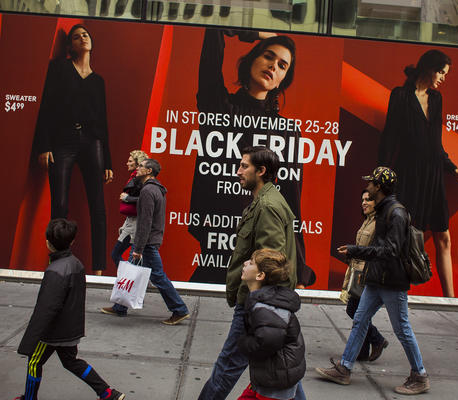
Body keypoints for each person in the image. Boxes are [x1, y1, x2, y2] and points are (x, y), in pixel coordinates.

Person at [188, 27, 315, 288]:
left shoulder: (287, 131)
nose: (273, 66)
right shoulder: (219, 105)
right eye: (268, 56)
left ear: (282, 81)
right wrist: (258, 34)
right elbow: (213, 39)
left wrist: (298, 267)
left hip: (262, 244)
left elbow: (291, 202)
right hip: (218, 238)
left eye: (282, 65)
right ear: (251, 61)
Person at [198, 146, 305, 399]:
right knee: (283, 369)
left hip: (257, 303)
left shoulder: (267, 206)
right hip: (263, 303)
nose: (238, 171)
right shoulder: (264, 201)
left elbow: (271, 263)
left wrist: (256, 303)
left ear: (262, 171)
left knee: (227, 367)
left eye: (244, 166)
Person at [315, 167, 430, 395]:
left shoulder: (395, 213)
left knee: (402, 329)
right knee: (360, 319)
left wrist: (357, 251)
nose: (367, 186)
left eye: (370, 183)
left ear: (378, 187)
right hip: (377, 279)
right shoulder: (384, 210)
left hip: (391, 281)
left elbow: (391, 250)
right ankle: (345, 369)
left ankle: (420, 375)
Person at [378, 50, 458, 297]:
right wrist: (380, 175)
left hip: (433, 177)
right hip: (408, 175)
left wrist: (453, 169)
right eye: (441, 72)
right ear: (428, 68)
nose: (443, 78)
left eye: (445, 74)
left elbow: (435, 143)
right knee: (406, 239)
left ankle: (450, 299)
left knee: (444, 237)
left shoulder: (437, 98)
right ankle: (400, 296)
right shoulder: (399, 96)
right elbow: (389, 138)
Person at [33, 24, 113, 276]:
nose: (82, 39)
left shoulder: (98, 80)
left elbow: (103, 121)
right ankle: (57, 263)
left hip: (93, 142)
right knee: (60, 204)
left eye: (86, 35)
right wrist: (44, 145)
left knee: (98, 207)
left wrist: (107, 161)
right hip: (63, 141)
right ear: (70, 47)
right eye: (77, 37)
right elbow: (45, 107)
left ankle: (99, 269)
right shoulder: (59, 70)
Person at [14, 219, 124, 400]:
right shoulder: (77, 264)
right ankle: (107, 393)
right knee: (72, 362)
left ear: (48, 243)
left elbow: (45, 310)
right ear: (72, 242)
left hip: (53, 333)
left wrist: (29, 342)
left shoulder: (55, 271)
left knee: (34, 361)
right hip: (70, 329)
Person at [101, 159, 189, 324]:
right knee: (135, 272)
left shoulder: (148, 191)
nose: (137, 169)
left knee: (158, 276)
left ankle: (180, 309)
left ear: (149, 171)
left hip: (147, 242)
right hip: (149, 240)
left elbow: (145, 221)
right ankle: (120, 307)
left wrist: (138, 248)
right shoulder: (155, 189)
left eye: (140, 166)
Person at [237, 248, 306, 400]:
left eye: (251, 263)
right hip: (273, 375)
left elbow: (268, 341)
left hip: (275, 381)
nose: (245, 263)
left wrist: (244, 343)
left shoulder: (264, 307)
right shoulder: (264, 299)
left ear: (260, 275)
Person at [338, 190, 387, 362]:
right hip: (357, 271)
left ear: (377, 202)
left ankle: (377, 339)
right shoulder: (367, 220)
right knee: (358, 311)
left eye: (368, 200)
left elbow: (375, 251)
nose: (364, 203)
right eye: (362, 200)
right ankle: (363, 350)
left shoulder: (380, 223)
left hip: (366, 274)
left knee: (355, 310)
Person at [110, 149, 148, 267]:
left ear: (138, 164)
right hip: (131, 221)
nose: (127, 163)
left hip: (135, 223)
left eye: (130, 161)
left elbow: (145, 199)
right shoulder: (135, 178)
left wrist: (127, 198)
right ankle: (129, 277)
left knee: (120, 255)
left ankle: (128, 277)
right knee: (133, 259)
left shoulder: (140, 181)